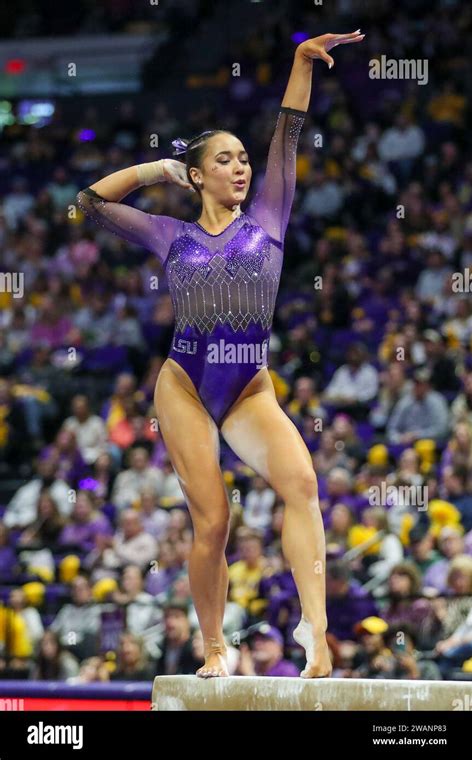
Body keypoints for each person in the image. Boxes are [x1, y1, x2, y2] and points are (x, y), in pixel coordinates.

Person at [77, 29, 365, 678]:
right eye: (227, 160)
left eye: (243, 158)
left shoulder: (269, 218)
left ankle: (316, 636)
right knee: (214, 522)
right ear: (199, 174)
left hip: (247, 389)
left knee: (303, 485)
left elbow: (287, 133)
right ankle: (214, 648)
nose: (242, 167)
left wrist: (299, 63)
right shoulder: (170, 235)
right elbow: (87, 205)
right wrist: (157, 170)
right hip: (182, 385)